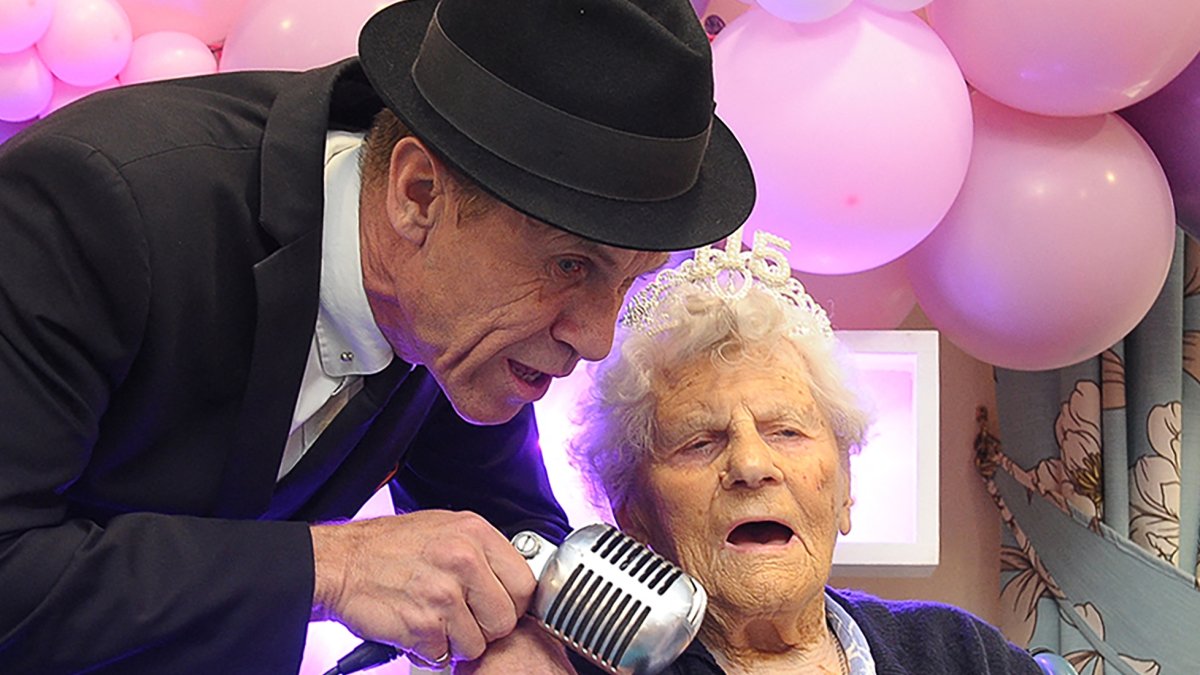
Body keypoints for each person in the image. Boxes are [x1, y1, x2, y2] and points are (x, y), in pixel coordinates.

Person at [0, 0, 755, 673]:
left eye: (630, 281)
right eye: (570, 265)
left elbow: (502, 517)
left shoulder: (458, 310)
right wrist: (330, 569)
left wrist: (518, 637)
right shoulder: (94, 205)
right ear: (417, 194)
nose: (595, 337)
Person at [567, 229, 1044, 674]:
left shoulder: (961, 652)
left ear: (845, 488)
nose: (751, 466)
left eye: (786, 432)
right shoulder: (576, 667)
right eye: (700, 442)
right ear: (632, 514)